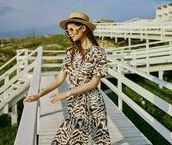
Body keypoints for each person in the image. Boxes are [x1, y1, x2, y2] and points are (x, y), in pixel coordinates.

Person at [24, 12, 111, 145]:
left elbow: (94, 82)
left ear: (83, 28)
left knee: (100, 139)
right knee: (64, 138)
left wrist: (66, 93)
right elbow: (59, 79)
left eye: (71, 29)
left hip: (93, 104)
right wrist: (39, 94)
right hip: (75, 104)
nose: (69, 33)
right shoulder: (70, 53)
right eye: (67, 31)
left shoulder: (98, 52)